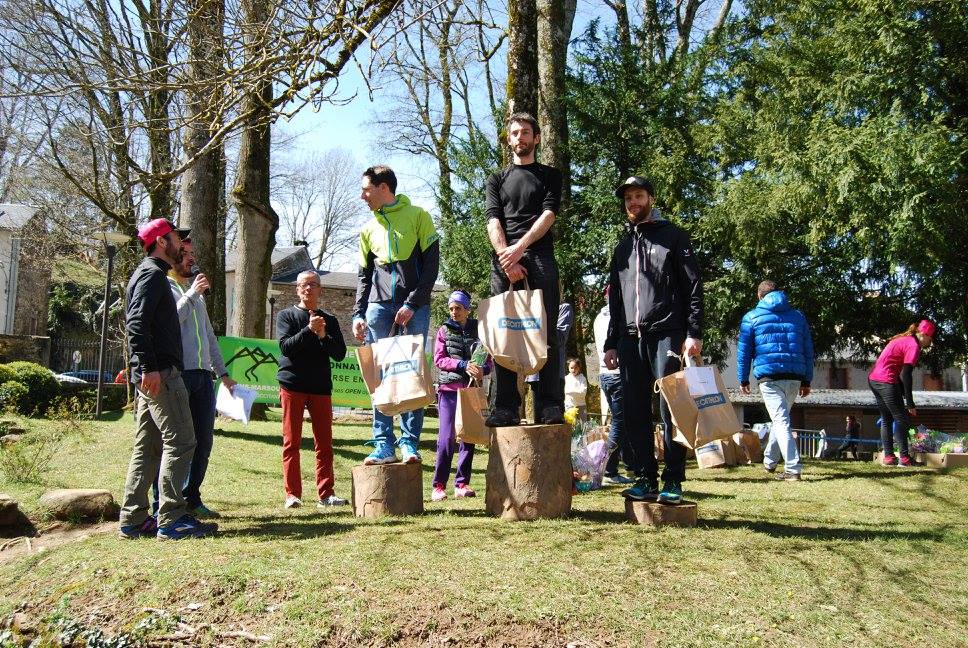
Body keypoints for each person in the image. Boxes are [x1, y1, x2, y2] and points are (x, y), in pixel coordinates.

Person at [603, 176, 703, 504]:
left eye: (639, 196)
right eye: (628, 198)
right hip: (631, 339)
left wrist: (693, 333)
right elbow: (614, 299)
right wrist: (611, 342)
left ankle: (673, 480)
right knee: (633, 411)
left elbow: (692, 287)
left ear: (651, 198)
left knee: (670, 407)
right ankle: (645, 477)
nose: (633, 202)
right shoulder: (622, 246)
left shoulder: (673, 236)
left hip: (668, 334)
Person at [118, 219, 215, 540]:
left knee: (147, 446)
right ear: (161, 241)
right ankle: (172, 518)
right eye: (175, 238)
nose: (180, 244)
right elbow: (136, 324)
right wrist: (148, 368)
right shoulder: (152, 275)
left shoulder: (148, 274)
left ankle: (133, 519)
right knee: (183, 440)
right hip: (161, 373)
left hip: (153, 373)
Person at [352, 165, 440, 465]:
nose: (362, 195)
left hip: (413, 306)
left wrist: (413, 303)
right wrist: (357, 314)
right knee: (380, 376)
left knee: (411, 373)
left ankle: (409, 444)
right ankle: (383, 445)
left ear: (383, 188)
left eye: (366, 189)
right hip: (378, 308)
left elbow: (431, 269)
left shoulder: (419, 216)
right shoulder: (367, 229)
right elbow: (364, 277)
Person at [484, 112, 565, 427]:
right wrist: (507, 256)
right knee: (503, 331)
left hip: (540, 257)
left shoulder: (549, 175)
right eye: (515, 133)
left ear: (536, 138)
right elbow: (493, 218)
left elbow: (548, 215)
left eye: (526, 132)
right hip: (504, 260)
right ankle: (505, 407)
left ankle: (549, 405)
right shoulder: (497, 179)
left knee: (546, 333)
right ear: (510, 139)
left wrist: (520, 250)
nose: (520, 137)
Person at [165, 238, 237, 517]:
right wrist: (192, 293)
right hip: (179, 374)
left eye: (193, 254)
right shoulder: (167, 287)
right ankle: (173, 501)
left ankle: (192, 496)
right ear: (173, 257)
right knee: (182, 441)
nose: (191, 260)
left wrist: (223, 373)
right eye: (185, 254)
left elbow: (208, 336)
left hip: (203, 377)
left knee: (203, 441)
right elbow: (172, 320)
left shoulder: (196, 293)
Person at [276, 270, 349, 508]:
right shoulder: (286, 316)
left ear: (320, 290)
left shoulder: (330, 320)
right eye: (304, 285)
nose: (308, 289)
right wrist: (308, 331)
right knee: (291, 442)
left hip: (320, 387)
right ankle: (292, 494)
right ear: (297, 289)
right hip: (292, 385)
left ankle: (326, 494)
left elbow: (339, 354)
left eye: (313, 285)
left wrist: (322, 334)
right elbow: (286, 348)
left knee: (324, 444)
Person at [737, 280, 814, 481]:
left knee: (780, 420)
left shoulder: (751, 317)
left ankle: (793, 468)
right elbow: (808, 350)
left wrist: (743, 378)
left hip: (769, 377)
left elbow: (744, 352)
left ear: (759, 296)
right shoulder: (798, 317)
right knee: (780, 420)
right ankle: (769, 462)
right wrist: (807, 380)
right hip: (795, 376)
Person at [431, 290, 493, 502]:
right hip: (448, 390)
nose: (454, 312)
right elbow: (439, 360)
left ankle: (462, 484)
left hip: (471, 390)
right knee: (446, 438)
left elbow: (488, 360)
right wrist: (463, 364)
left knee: (469, 436)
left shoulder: (480, 330)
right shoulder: (443, 330)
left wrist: (482, 369)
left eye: (458, 308)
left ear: (467, 309)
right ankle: (438, 486)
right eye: (451, 308)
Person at [868, 320, 935, 466]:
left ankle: (889, 458)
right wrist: (910, 402)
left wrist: (903, 393)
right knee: (902, 419)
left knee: (886, 419)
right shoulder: (914, 345)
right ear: (924, 334)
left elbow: (890, 364)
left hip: (874, 379)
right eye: (930, 338)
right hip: (886, 381)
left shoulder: (903, 339)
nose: (930, 342)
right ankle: (904, 459)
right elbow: (906, 374)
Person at [594, 287, 633, 485]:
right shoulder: (619, 317)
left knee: (621, 421)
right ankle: (609, 470)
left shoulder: (598, 317)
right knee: (619, 422)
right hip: (616, 374)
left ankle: (629, 463)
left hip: (604, 375)